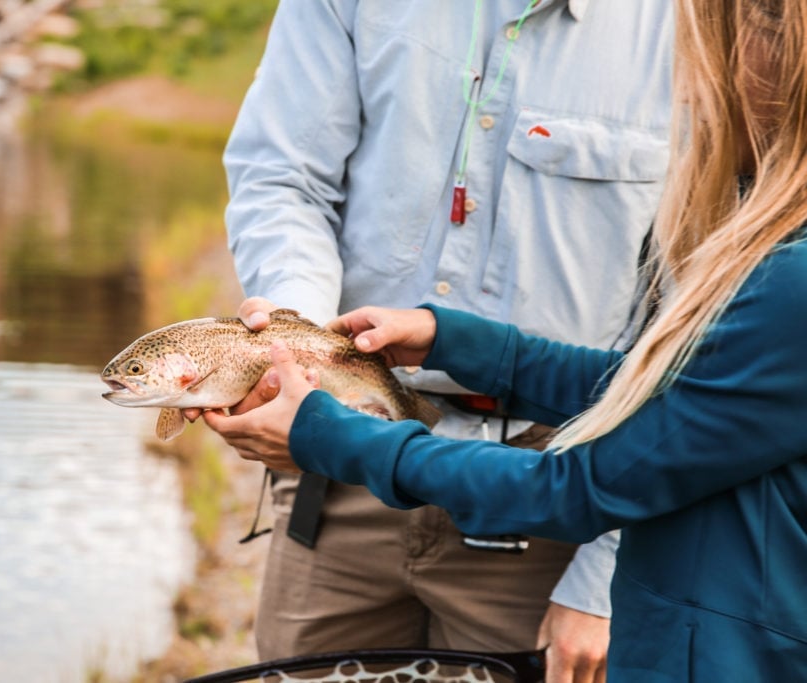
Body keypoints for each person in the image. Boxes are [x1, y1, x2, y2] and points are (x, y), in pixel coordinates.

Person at [202, 0, 807, 679]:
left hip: (550, 508)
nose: (699, 83)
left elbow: (598, 474)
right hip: (344, 483)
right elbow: (679, 390)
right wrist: (355, 355)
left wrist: (596, 580)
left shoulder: (690, 24)